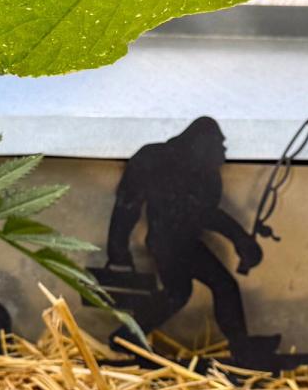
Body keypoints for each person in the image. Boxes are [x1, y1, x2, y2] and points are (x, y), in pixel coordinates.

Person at [106, 117, 280, 360]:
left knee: (186, 291)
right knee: (200, 289)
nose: (224, 151)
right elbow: (128, 206)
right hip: (167, 243)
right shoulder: (157, 159)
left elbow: (204, 214)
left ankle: (127, 336)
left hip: (184, 242)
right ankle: (126, 336)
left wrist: (241, 240)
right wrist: (117, 249)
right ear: (202, 143)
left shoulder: (204, 173)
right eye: (219, 144)